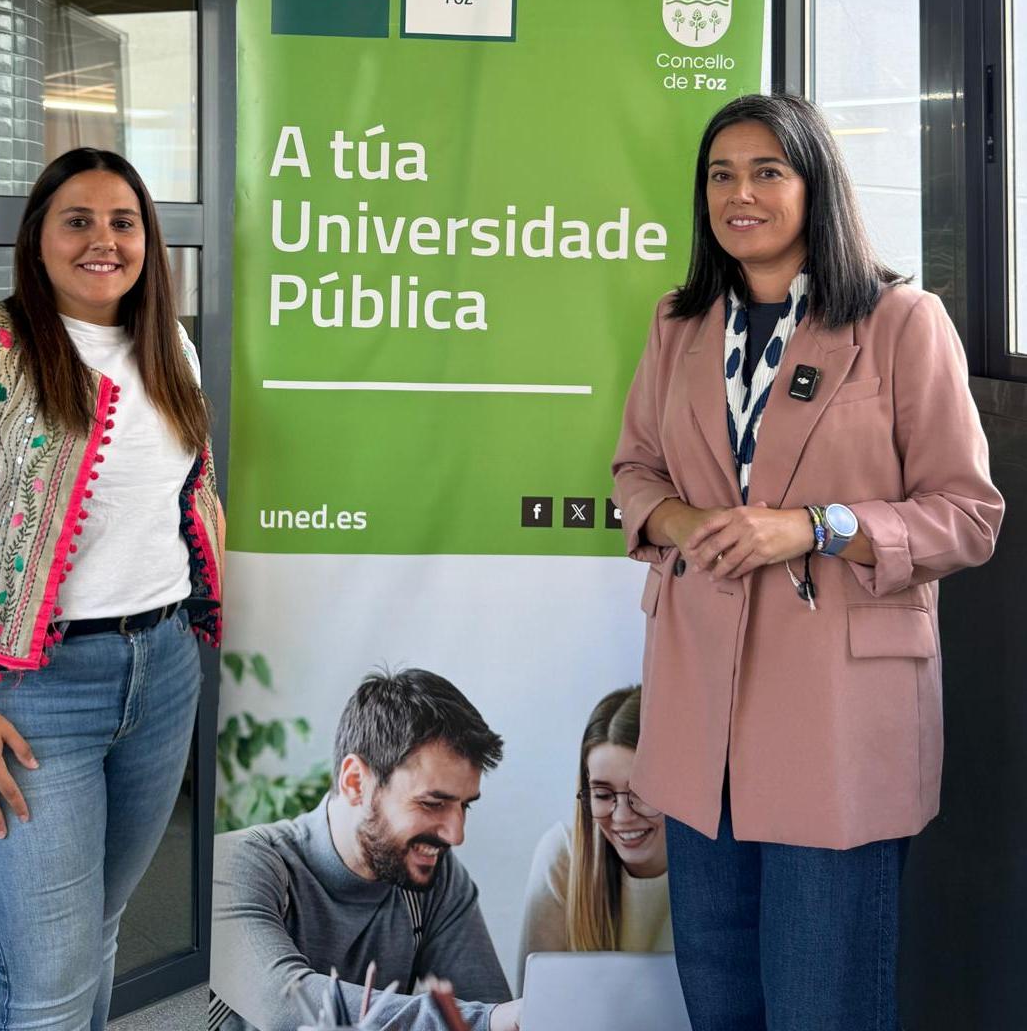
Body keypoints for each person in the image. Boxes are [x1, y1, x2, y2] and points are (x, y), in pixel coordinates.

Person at [611, 93, 1003, 1030]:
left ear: (814, 185)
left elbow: (967, 515)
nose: (739, 194)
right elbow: (634, 471)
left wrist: (815, 526)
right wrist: (680, 519)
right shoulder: (679, 323)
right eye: (721, 175)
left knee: (822, 1005)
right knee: (719, 1004)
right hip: (700, 724)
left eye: (766, 172)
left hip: (836, 723)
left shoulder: (903, 322)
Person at [0, 147, 223, 1031]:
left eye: (123, 222)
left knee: (97, 938)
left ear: (148, 241)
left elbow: (181, 503)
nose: (103, 240)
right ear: (37, 237)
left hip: (159, 673)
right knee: (46, 988)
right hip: (22, 694)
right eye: (78, 220)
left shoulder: (169, 348)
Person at [210, 667, 522, 1031]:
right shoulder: (238, 864)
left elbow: (497, 1016)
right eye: (432, 803)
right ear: (356, 782)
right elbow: (283, 1003)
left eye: (464, 805)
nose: (455, 835)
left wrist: (494, 1018)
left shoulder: (435, 879)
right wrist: (487, 1019)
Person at [517, 686, 670, 992]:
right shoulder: (563, 855)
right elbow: (535, 1005)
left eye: (642, 792)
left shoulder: (724, 865)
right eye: (602, 794)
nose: (622, 816)